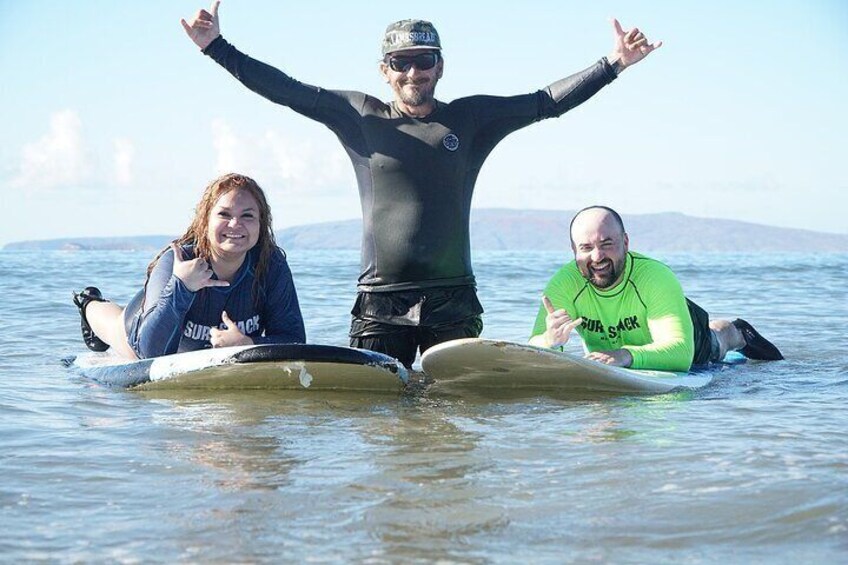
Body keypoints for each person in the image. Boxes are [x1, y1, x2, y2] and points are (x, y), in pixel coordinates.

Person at [181, 2, 661, 368]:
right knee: (376, 417)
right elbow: (286, 89)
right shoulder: (359, 115)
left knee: (452, 415)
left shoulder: (471, 119)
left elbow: (543, 102)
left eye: (424, 60)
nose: (414, 72)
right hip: (379, 301)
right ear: (385, 69)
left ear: (440, 65)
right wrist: (216, 47)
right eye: (402, 61)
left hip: (452, 298)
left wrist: (613, 64)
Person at [73, 173, 306, 359]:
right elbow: (150, 353)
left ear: (260, 224)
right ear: (205, 222)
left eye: (247, 216)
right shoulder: (177, 261)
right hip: (142, 333)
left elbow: (295, 339)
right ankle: (88, 303)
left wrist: (248, 344)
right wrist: (181, 287)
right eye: (224, 214)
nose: (235, 224)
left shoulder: (270, 263)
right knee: (114, 327)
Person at [529, 206, 783, 371]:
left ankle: (734, 330)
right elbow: (533, 348)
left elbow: (681, 355)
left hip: (684, 340)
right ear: (574, 250)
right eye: (585, 248)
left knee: (715, 343)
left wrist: (625, 356)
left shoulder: (655, 277)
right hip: (618, 357)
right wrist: (550, 341)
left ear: (626, 242)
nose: (597, 256)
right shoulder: (563, 285)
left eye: (607, 244)